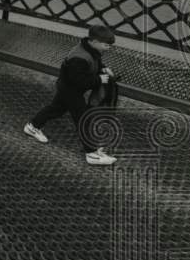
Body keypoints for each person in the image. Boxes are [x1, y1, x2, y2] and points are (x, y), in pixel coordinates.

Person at [23, 24, 119, 165]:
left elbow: (96, 62)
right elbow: (78, 81)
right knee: (82, 119)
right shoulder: (79, 57)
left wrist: (103, 68)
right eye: (106, 45)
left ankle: (32, 126)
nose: (109, 48)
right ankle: (92, 154)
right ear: (95, 42)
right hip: (70, 90)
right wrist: (99, 79)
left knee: (56, 109)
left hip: (67, 88)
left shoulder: (90, 49)